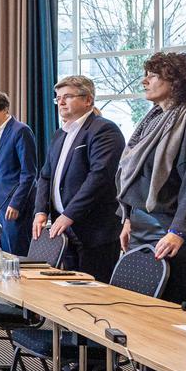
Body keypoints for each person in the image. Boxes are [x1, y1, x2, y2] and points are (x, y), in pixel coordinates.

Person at [116, 52, 186, 371]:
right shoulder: (153, 120)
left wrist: (179, 230)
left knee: (173, 324)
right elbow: (139, 177)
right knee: (146, 321)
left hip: (177, 236)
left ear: (176, 80)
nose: (145, 81)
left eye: (153, 75)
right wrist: (128, 218)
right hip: (144, 230)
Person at [33, 75, 124, 282]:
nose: (61, 102)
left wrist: (69, 214)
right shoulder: (59, 134)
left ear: (88, 100)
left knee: (93, 298)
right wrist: (40, 211)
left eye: (67, 97)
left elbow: (99, 177)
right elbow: (45, 176)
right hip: (63, 227)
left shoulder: (103, 130)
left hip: (94, 230)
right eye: (58, 98)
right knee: (69, 292)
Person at [0, 91, 37, 256]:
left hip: (16, 203)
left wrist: (16, 203)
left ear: (4, 109)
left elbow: (29, 173)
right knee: (6, 251)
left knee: (17, 253)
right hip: (2, 202)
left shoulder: (20, 131)